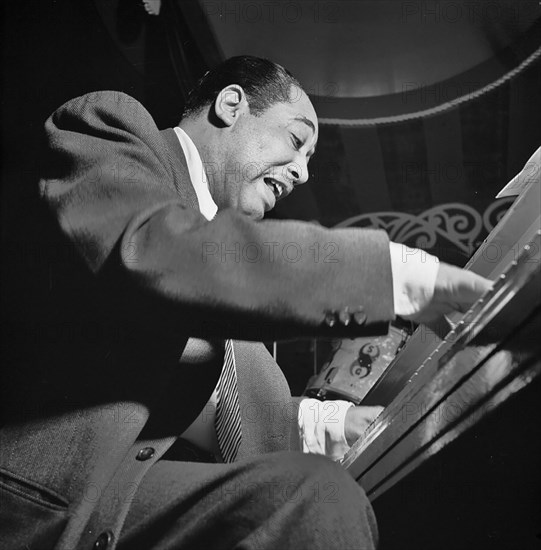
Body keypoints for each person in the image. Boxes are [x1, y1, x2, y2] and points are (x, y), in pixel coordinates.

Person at [0, 56, 491, 550]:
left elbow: (236, 403)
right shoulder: (111, 127)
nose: (301, 173)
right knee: (315, 499)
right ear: (232, 105)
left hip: (129, 502)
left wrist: (328, 424)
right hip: (46, 504)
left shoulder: (232, 270)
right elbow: (157, 251)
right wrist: (389, 274)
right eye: (297, 142)